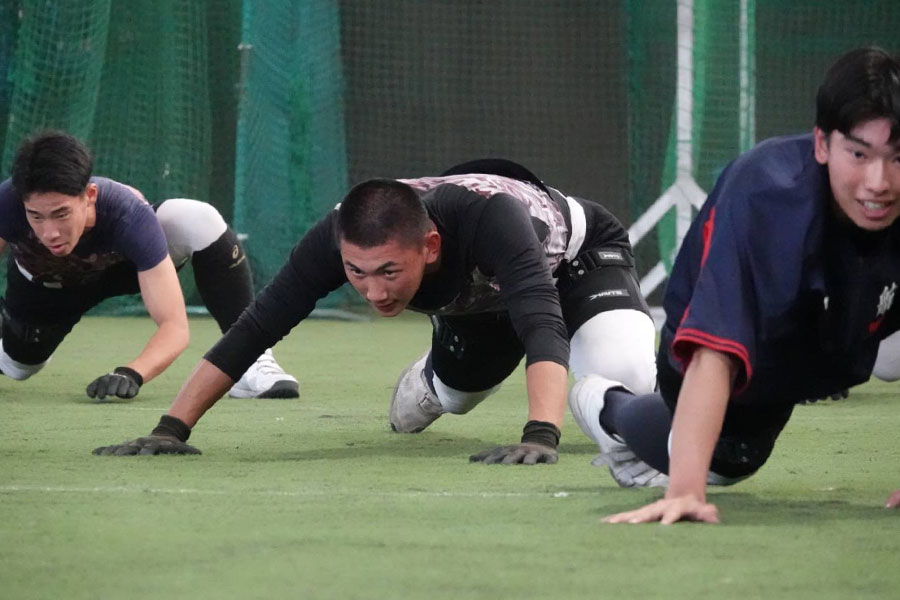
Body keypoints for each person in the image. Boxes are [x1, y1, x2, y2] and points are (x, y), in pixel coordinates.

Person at [94, 158, 659, 465]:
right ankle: (430, 381)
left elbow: (542, 320)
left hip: (579, 266)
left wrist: (540, 434)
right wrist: (171, 428)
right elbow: (256, 328)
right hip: (480, 303)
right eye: (356, 273)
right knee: (456, 399)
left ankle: (584, 400)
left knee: (629, 376)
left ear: (431, 247)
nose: (374, 292)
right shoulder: (333, 239)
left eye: (390, 272)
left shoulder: (494, 219)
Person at [565, 46, 900, 524]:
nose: (879, 182)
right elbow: (713, 353)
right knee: (731, 460)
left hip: (845, 330)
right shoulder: (765, 196)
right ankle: (609, 407)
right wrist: (685, 491)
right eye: (859, 154)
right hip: (751, 354)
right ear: (822, 144)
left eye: (897, 157)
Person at [0, 130, 298, 400]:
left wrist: (130, 372)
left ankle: (250, 361)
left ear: (89, 196)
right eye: (36, 217)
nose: (49, 231)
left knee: (196, 219)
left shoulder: (128, 216)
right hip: (46, 287)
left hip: (123, 267)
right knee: (19, 366)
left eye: (61, 214)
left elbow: (175, 326)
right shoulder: (7, 204)